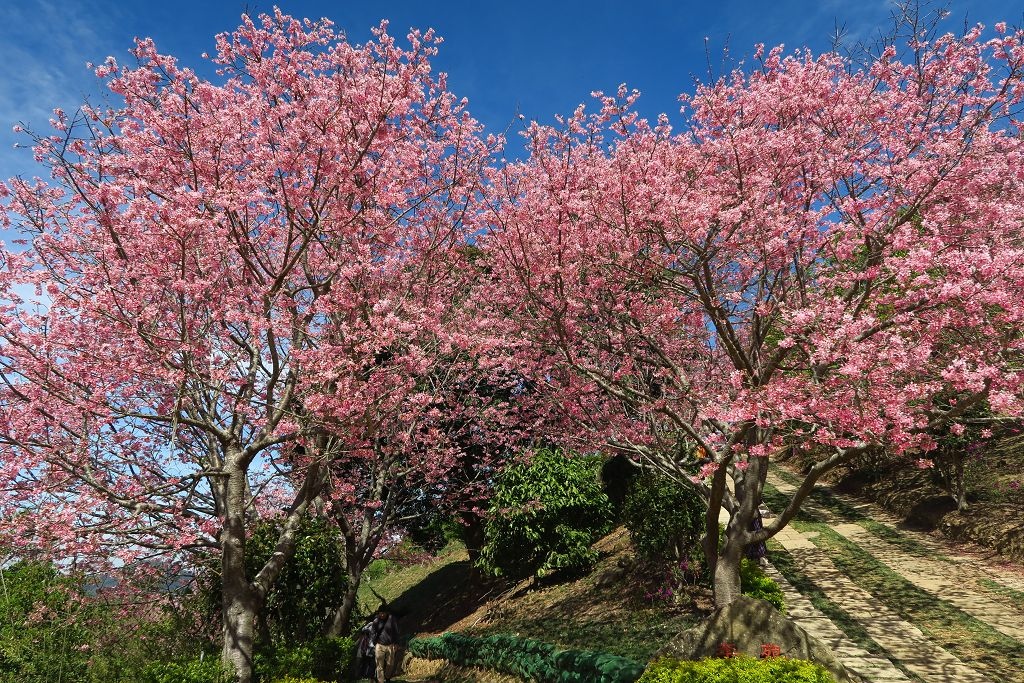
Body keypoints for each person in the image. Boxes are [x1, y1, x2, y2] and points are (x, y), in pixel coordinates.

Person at [369, 607, 400, 683]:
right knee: (379, 665)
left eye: (383, 613)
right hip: (379, 645)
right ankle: (381, 680)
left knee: (390, 664)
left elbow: (396, 631)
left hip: (390, 645)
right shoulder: (376, 621)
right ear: (378, 613)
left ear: (386, 613)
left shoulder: (392, 619)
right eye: (380, 613)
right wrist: (374, 643)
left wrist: (396, 643)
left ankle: (387, 676)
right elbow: (372, 632)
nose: (382, 615)